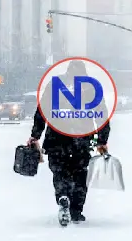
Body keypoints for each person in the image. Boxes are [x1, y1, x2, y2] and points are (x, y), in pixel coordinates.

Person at [28, 60, 111, 224]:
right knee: (80, 174)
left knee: (59, 172)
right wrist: (102, 140)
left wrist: (35, 134)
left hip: (56, 140)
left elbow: (42, 111)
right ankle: (76, 211)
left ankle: (62, 196)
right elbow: (101, 115)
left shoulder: (55, 85)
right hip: (82, 140)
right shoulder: (90, 88)